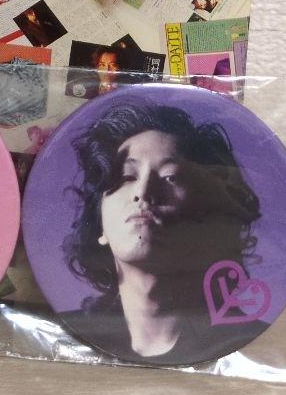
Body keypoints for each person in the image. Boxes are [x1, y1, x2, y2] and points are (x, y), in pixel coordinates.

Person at [60, 100, 265, 364]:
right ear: (99, 224)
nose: (144, 192)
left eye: (171, 177)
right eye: (127, 177)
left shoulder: (251, 346)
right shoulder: (62, 338)